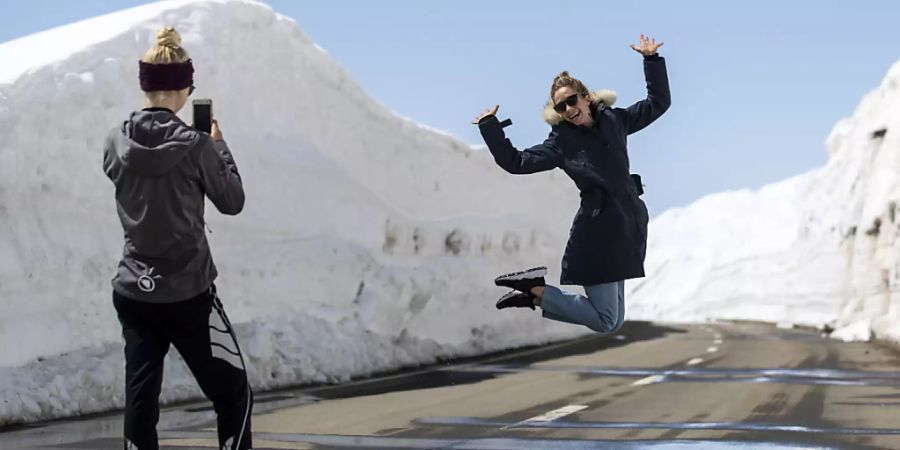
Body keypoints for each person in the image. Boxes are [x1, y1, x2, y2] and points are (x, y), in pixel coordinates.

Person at [102, 26, 252, 450]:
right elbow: (233, 201)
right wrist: (218, 148)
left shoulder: (115, 141)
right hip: (188, 295)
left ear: (144, 86)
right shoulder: (196, 145)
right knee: (235, 396)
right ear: (186, 87)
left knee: (141, 405)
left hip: (134, 290)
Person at [472, 34, 670, 334]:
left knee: (613, 321)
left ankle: (535, 292)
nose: (567, 109)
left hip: (624, 230)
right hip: (597, 234)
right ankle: (536, 290)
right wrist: (491, 128)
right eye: (560, 107)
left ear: (586, 98)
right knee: (605, 321)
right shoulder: (562, 142)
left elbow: (658, 102)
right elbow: (516, 162)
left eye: (571, 101)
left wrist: (651, 60)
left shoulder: (615, 121)